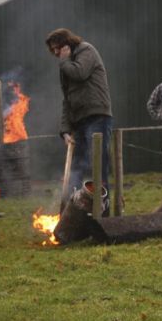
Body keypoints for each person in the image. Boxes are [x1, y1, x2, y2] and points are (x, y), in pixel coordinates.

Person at [46, 28, 114, 214]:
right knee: (76, 166)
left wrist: (64, 61)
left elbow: (80, 73)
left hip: (97, 115)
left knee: (98, 164)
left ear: (66, 44)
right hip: (79, 121)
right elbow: (67, 99)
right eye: (53, 50)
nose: (56, 54)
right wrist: (65, 130)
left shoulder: (86, 51)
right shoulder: (65, 64)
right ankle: (73, 210)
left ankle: (103, 209)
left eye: (57, 49)